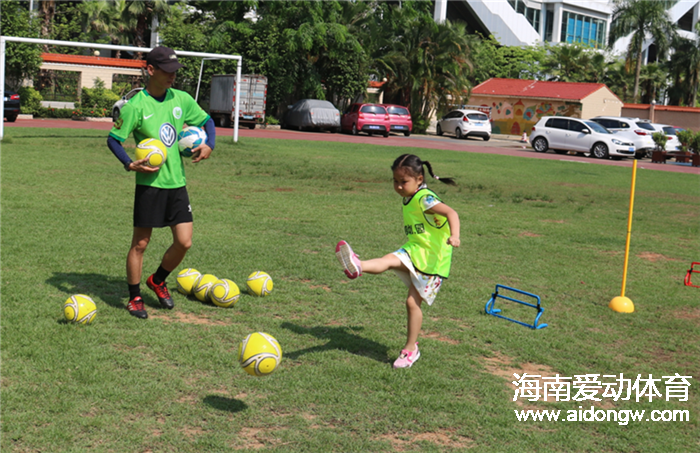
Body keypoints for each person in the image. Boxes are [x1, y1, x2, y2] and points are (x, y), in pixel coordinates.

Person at [106, 46, 217, 319]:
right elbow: (113, 139)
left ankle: (157, 280)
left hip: (176, 183)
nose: (172, 76)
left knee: (184, 242)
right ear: (151, 70)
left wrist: (210, 144)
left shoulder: (181, 99)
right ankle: (134, 298)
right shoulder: (136, 106)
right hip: (149, 185)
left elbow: (207, 120)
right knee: (140, 244)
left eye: (174, 71)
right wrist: (128, 162)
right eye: (166, 71)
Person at [335, 154, 460, 369]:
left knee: (412, 303)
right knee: (389, 260)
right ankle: (358, 265)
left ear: (419, 180)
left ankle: (411, 349)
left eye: (404, 182)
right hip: (415, 250)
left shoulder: (424, 198)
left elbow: (451, 212)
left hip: (433, 260)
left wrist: (455, 236)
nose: (399, 187)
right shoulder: (410, 197)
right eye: (395, 181)